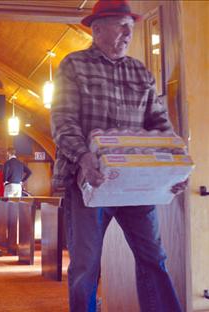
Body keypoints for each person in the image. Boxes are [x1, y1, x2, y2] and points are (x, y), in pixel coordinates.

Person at [50, 1, 187, 311]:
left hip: (138, 186)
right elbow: (63, 121)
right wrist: (84, 157)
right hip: (89, 184)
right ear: (97, 29)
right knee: (86, 266)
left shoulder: (141, 72)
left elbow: (160, 125)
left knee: (154, 259)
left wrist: (175, 168)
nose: (129, 33)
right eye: (121, 25)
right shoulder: (73, 65)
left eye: (131, 26)